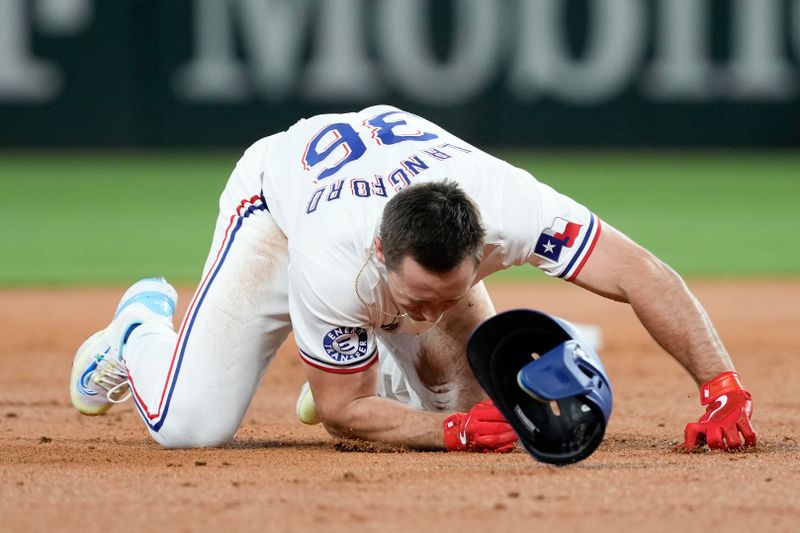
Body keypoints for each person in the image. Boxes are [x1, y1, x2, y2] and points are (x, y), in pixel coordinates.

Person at [70, 105, 756, 452]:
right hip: (276, 208)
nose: (432, 312)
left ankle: (372, 360)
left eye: (452, 292)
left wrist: (722, 386)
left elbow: (641, 272)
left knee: (472, 390)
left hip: (382, 198)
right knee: (191, 423)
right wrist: (450, 432)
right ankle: (138, 330)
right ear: (382, 254)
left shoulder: (511, 207)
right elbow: (341, 414)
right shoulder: (332, 261)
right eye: (417, 297)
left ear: (480, 247)